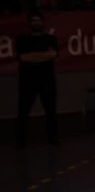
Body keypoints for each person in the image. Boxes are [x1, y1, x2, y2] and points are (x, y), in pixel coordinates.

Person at [15, 10, 58, 148]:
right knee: (23, 111)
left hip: (47, 80)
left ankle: (53, 140)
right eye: (33, 20)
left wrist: (33, 56)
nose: (36, 23)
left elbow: (53, 54)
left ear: (43, 22)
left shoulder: (51, 39)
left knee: (50, 111)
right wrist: (43, 55)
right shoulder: (22, 39)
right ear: (29, 23)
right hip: (27, 81)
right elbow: (23, 57)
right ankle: (20, 141)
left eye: (39, 20)